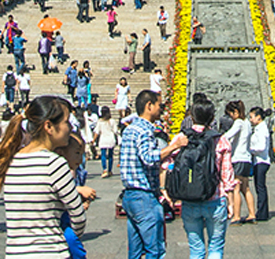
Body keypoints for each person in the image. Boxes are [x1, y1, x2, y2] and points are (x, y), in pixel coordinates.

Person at [0, 96, 88, 256]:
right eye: (66, 122)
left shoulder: (12, 162)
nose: (70, 128)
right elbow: (78, 216)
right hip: (50, 252)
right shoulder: (54, 164)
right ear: (49, 126)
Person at [119, 90, 188, 259]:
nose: (161, 109)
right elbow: (149, 157)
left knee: (135, 251)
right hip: (144, 196)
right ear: (149, 106)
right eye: (159, 105)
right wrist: (173, 146)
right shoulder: (144, 130)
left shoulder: (130, 129)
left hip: (130, 194)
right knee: (154, 250)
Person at [177, 98, 236, 259]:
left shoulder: (182, 138)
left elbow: (169, 164)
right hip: (215, 199)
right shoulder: (219, 139)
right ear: (212, 118)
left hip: (189, 199)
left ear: (192, 117)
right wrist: (231, 201)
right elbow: (227, 174)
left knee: (196, 249)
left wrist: (169, 190)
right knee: (216, 247)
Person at [224, 100, 255, 223]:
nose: (230, 116)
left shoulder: (239, 122)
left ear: (235, 112)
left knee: (236, 188)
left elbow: (228, 135)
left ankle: (236, 216)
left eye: (230, 113)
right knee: (245, 188)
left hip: (238, 158)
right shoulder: (247, 122)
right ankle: (252, 213)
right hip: (246, 159)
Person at [248, 106, 271, 221]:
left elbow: (261, 147)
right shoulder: (259, 128)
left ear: (258, 117)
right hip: (259, 160)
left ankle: (262, 212)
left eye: (252, 117)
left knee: (260, 187)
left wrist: (251, 150)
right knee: (259, 186)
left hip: (261, 160)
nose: (251, 120)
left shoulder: (262, 129)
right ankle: (262, 211)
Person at [94, 106, 118, 178]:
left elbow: (97, 132)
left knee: (103, 155)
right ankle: (110, 170)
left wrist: (93, 140)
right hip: (110, 139)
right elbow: (115, 131)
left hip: (103, 139)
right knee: (110, 155)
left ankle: (104, 169)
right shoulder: (112, 121)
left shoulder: (100, 121)